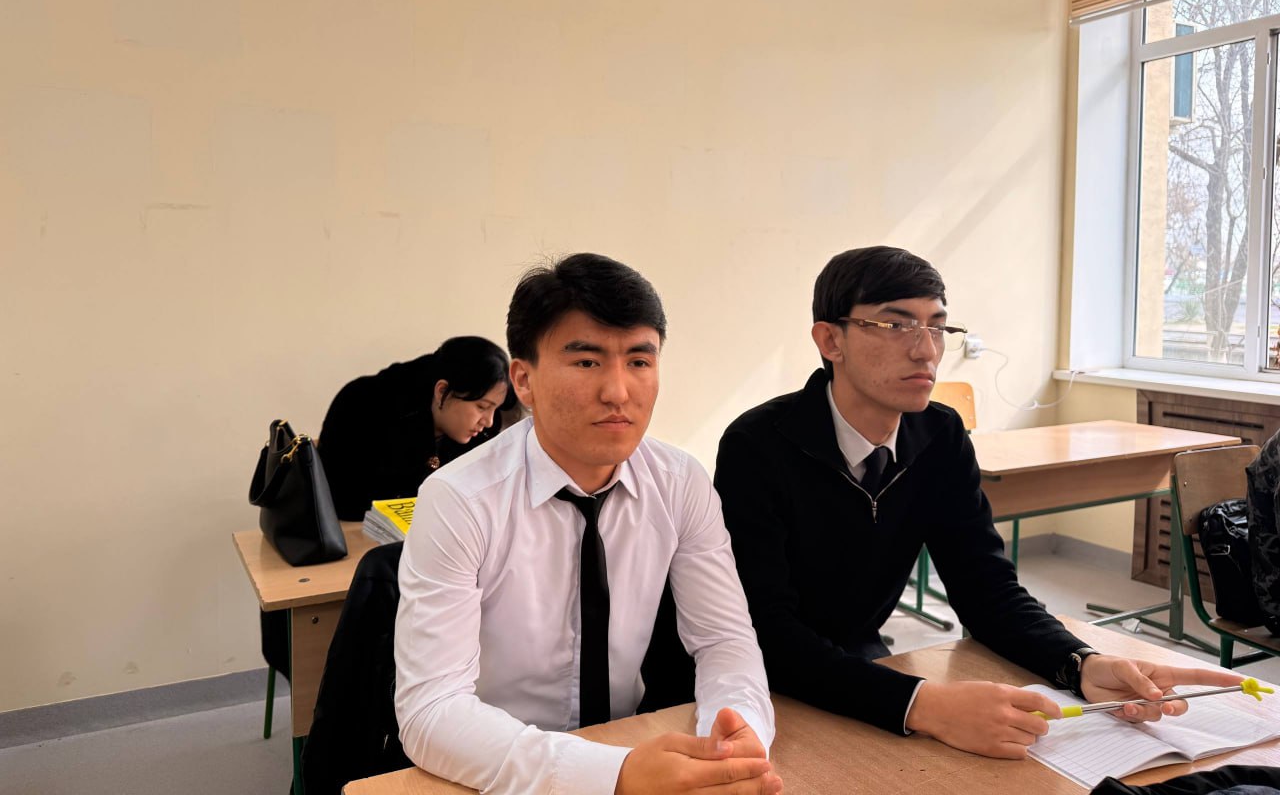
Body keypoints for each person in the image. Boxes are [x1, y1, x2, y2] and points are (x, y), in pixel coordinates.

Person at [713, 245, 1243, 760]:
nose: (926, 351)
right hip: (743, 677)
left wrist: (1079, 663)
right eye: (895, 325)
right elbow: (765, 632)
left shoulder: (940, 435)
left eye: (938, 328)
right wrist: (923, 704)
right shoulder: (757, 446)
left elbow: (987, 590)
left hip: (855, 657)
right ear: (831, 340)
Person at [394, 253, 782, 795]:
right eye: (586, 362)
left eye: (639, 361)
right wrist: (611, 775)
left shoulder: (679, 482)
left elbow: (724, 640)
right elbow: (432, 710)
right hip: (492, 768)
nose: (618, 392)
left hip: (631, 742)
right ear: (523, 380)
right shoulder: (459, 499)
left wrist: (738, 734)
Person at [318, 335, 517, 521]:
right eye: (482, 407)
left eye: (494, 409)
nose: (488, 421)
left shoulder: (480, 433)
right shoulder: (364, 408)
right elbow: (343, 503)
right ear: (442, 391)